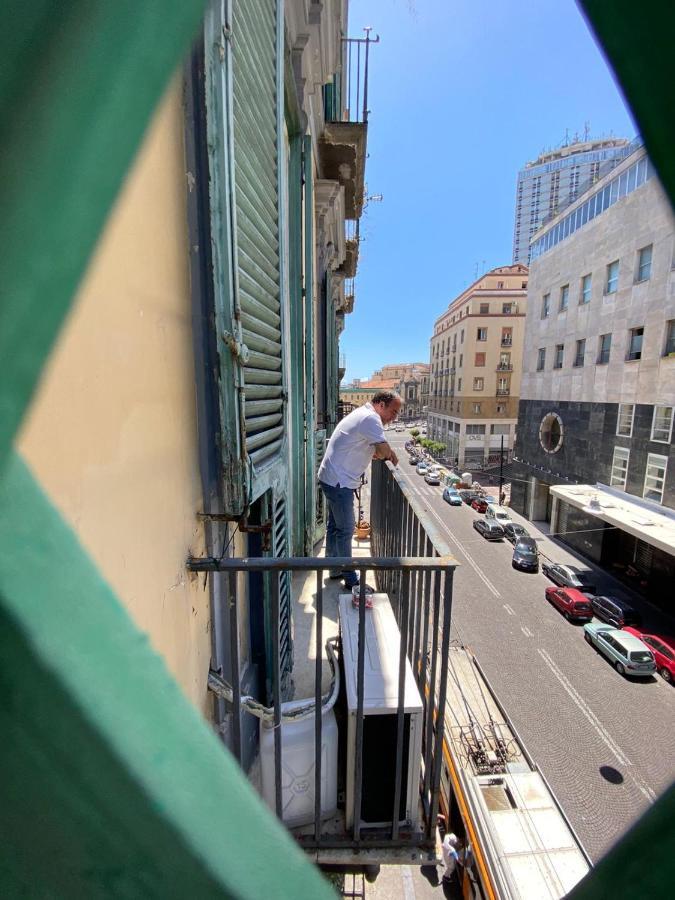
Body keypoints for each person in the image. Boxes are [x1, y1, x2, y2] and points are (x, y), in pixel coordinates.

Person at [318, 391, 401, 587]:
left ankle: (335, 568)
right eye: (393, 411)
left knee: (335, 526)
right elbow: (382, 451)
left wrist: (378, 450)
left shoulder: (363, 414)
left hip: (331, 478)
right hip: (340, 482)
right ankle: (350, 579)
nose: (394, 417)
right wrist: (387, 452)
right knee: (346, 530)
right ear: (381, 404)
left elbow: (372, 448)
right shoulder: (371, 418)